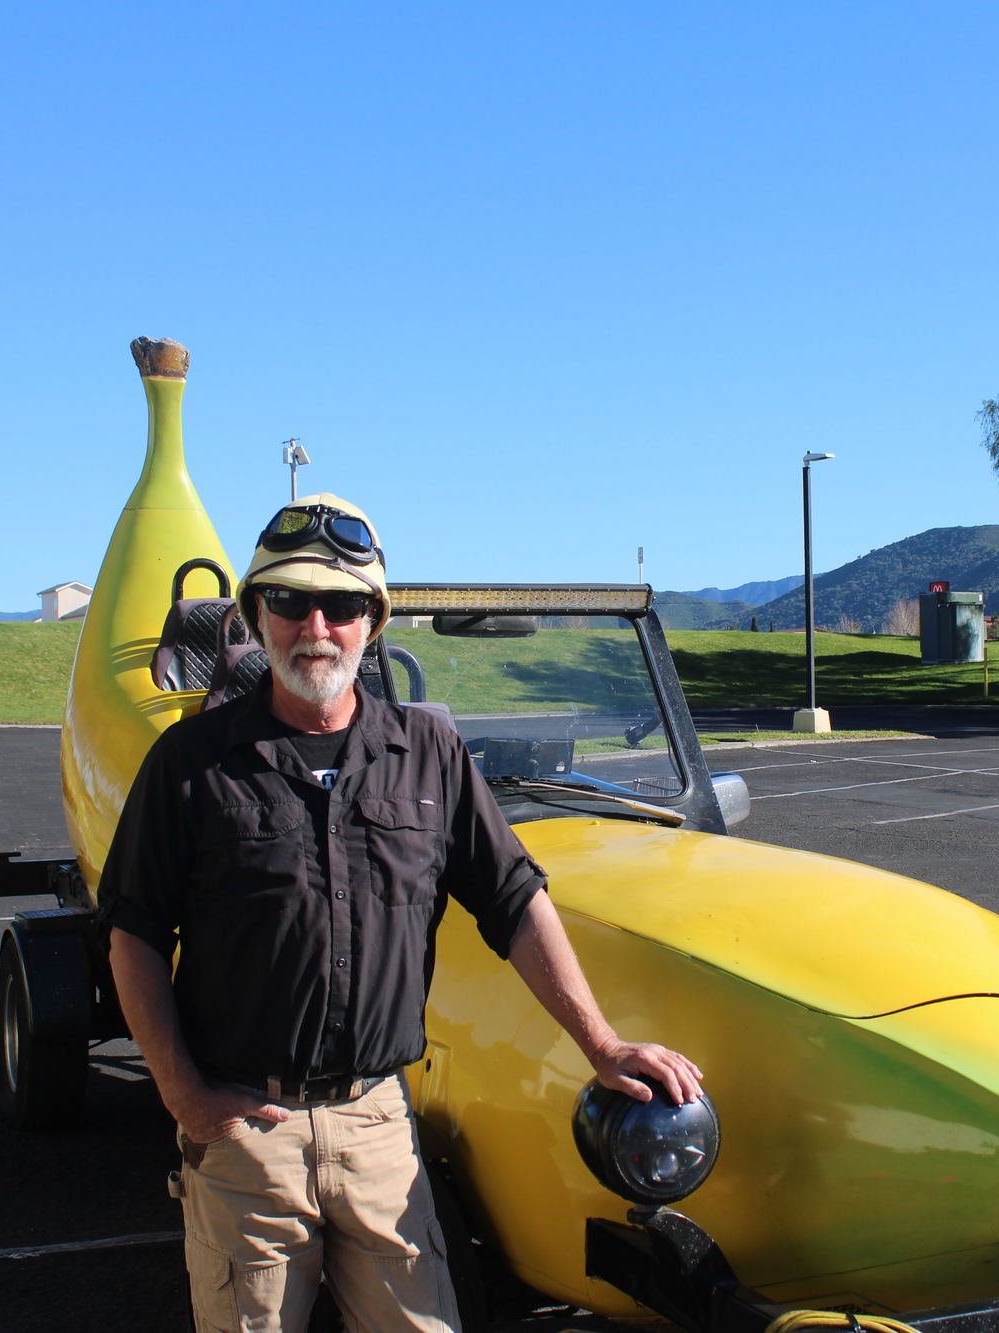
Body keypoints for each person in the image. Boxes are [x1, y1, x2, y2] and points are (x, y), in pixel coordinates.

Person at [98, 494, 702, 1333]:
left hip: (380, 1126)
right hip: (245, 1137)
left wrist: (602, 1042)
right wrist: (184, 1095)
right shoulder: (191, 765)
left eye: (342, 604)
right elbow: (131, 935)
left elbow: (516, 902)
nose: (317, 624)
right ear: (255, 614)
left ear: (373, 622)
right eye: (290, 600)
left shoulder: (429, 751)